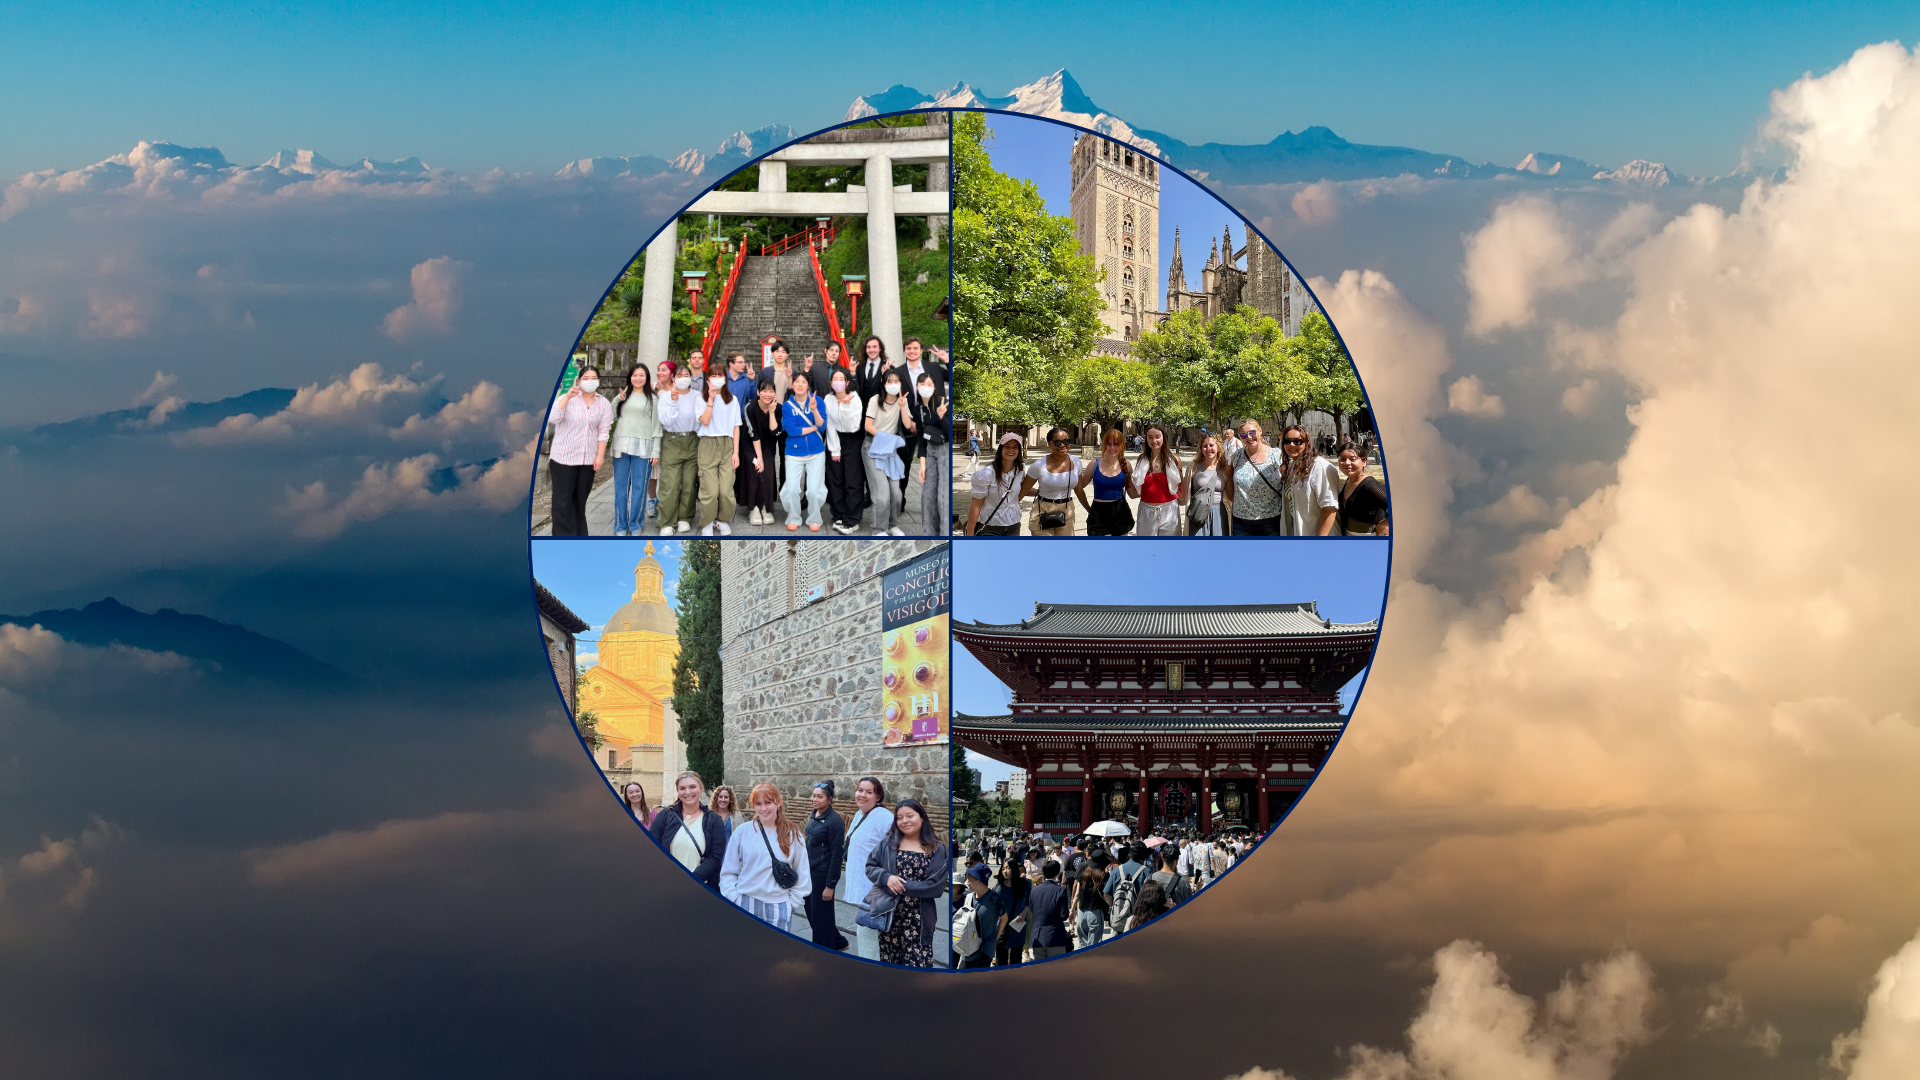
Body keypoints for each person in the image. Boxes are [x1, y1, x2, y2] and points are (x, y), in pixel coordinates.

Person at [864, 798, 949, 968]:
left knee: (918, 964)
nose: (904, 821)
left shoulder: (937, 848)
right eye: (899, 817)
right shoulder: (888, 843)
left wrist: (899, 887)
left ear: (922, 817)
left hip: (919, 918)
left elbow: (935, 886)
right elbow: (870, 866)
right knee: (890, 961)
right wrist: (887, 878)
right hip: (889, 914)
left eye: (910, 815)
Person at [719, 781, 810, 932]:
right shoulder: (743, 832)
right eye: (758, 803)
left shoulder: (793, 834)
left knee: (776, 954)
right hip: (745, 902)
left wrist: (791, 904)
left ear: (779, 802)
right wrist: (734, 898)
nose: (763, 808)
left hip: (779, 904)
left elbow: (803, 872)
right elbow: (728, 871)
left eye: (768, 802)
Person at [545, 367, 611, 536]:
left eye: (594, 377)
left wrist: (600, 456)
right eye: (586, 377)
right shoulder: (567, 398)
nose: (590, 381)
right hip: (563, 459)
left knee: (580, 502)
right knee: (562, 502)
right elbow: (553, 418)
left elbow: (604, 430)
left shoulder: (603, 403)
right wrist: (567, 396)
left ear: (599, 381)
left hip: (588, 460)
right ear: (579, 380)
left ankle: (579, 536)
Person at [839, 777, 895, 961]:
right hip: (865, 886)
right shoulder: (860, 814)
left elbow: (897, 850)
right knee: (866, 930)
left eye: (869, 792)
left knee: (867, 933)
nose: (862, 795)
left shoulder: (884, 818)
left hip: (875, 888)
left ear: (878, 796)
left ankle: (871, 973)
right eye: (859, 790)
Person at [650, 770, 728, 889]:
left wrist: (691, 880)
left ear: (701, 789)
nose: (688, 792)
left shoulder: (714, 820)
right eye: (682, 788)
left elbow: (715, 856)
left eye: (692, 787)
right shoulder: (665, 816)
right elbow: (652, 848)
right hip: (667, 886)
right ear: (678, 791)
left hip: (701, 887)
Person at [608, 366, 661, 536]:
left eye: (641, 375)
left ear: (646, 378)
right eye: (634, 375)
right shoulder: (623, 395)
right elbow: (610, 417)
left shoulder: (653, 399)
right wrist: (618, 399)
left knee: (640, 486)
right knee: (621, 488)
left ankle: (636, 524)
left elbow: (657, 427)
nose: (637, 378)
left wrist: (656, 450)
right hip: (621, 445)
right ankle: (620, 526)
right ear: (630, 377)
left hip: (644, 446)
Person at [655, 357, 703, 534]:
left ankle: (685, 517)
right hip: (672, 440)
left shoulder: (698, 396)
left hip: (692, 440)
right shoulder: (665, 397)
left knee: (690, 483)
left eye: (687, 374)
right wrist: (674, 401)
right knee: (670, 483)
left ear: (691, 378)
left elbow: (700, 420)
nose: (683, 377)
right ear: (673, 378)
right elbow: (666, 421)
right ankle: (667, 521)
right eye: (680, 375)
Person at [694, 361, 742, 536]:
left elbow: (736, 427)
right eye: (713, 376)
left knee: (726, 489)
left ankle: (722, 520)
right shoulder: (701, 399)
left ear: (725, 377)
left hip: (727, 444)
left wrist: (736, 452)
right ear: (708, 379)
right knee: (710, 489)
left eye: (720, 375)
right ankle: (707, 521)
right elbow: (705, 421)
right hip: (707, 444)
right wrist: (711, 399)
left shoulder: (733, 400)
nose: (717, 379)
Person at [803, 781, 850, 951]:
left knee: (821, 916)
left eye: (819, 797)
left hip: (822, 875)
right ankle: (838, 942)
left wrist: (830, 885)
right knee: (811, 912)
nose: (814, 799)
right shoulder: (814, 815)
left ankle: (822, 950)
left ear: (829, 800)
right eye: (814, 795)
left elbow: (837, 856)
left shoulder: (834, 822)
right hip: (809, 872)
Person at [778, 372, 828, 532]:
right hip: (793, 452)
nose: (800, 384)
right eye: (797, 382)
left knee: (814, 490)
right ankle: (793, 517)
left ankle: (815, 518)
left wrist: (814, 410)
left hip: (816, 452)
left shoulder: (818, 401)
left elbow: (822, 425)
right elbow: (791, 430)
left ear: (808, 385)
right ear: (792, 385)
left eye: (803, 382)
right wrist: (812, 428)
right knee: (791, 488)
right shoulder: (787, 405)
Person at [862, 368, 909, 536]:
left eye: (896, 381)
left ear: (901, 384)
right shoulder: (876, 400)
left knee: (896, 494)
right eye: (890, 381)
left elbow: (908, 424)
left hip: (890, 452)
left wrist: (903, 407)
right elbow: (867, 426)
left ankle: (892, 524)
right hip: (872, 448)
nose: (893, 384)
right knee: (882, 494)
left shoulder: (902, 401)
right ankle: (878, 529)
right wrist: (887, 438)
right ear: (884, 384)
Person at [822, 367, 869, 534]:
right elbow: (829, 425)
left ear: (847, 382)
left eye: (842, 379)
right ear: (831, 383)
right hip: (834, 439)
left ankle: (853, 519)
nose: (838, 382)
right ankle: (839, 515)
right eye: (835, 379)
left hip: (853, 440)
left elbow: (853, 426)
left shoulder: (854, 398)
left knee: (852, 480)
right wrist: (834, 450)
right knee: (835, 480)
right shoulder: (827, 399)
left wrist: (846, 407)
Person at [1277, 423, 1341, 536]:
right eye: (1287, 441)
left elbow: (1329, 507)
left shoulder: (1320, 466)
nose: (1291, 445)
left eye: (1297, 441)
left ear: (1306, 443)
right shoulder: (1293, 466)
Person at [1226, 418, 1287, 535]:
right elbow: (1229, 481)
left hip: (1272, 519)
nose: (1249, 437)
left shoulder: (1276, 455)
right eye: (1244, 435)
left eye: (1252, 432)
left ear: (1260, 431)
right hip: (1242, 521)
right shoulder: (1237, 457)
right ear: (1240, 437)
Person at [1023, 427, 1084, 537]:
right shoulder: (1038, 465)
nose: (1062, 445)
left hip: (1067, 509)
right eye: (1057, 442)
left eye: (1066, 441)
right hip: (1042, 510)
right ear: (1050, 444)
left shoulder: (1076, 462)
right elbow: (1022, 490)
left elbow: (1079, 491)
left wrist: (1090, 509)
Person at [1077, 428, 1138, 536]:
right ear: (1104, 445)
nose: (1112, 448)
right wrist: (1088, 508)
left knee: (1119, 551)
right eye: (1109, 444)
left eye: (1116, 444)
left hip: (1120, 512)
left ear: (1122, 446)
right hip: (1098, 513)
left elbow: (1132, 492)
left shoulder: (1126, 465)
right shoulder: (1094, 464)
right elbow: (1078, 487)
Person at [739, 379, 783, 527]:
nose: (768, 394)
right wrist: (759, 458)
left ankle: (765, 506)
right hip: (750, 444)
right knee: (756, 468)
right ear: (758, 392)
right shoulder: (750, 407)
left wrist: (771, 412)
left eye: (771, 391)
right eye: (764, 390)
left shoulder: (778, 408)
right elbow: (753, 434)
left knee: (768, 470)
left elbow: (775, 432)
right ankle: (753, 508)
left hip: (768, 444)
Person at [910, 371, 950, 533]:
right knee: (928, 495)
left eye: (929, 384)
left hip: (944, 449)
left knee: (943, 496)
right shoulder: (918, 408)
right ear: (917, 387)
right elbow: (920, 436)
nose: (925, 387)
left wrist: (942, 417)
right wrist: (922, 464)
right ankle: (929, 532)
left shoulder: (942, 403)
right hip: (929, 450)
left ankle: (945, 533)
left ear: (934, 387)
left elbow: (949, 434)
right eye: (922, 384)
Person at [966, 432, 1025, 536]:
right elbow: (976, 505)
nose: (1011, 450)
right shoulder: (986, 474)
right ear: (1001, 449)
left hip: (1013, 526)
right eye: (1007, 446)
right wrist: (969, 534)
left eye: (1015, 447)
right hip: (990, 527)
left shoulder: (1020, 471)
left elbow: (1023, 489)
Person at [1134, 423, 1183, 536]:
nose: (1154, 441)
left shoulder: (1175, 460)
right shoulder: (1141, 460)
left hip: (1169, 510)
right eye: (1150, 437)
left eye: (1157, 437)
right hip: (1146, 510)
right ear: (1145, 439)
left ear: (1163, 438)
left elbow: (1181, 486)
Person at [1333, 440, 1390, 536]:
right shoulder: (1349, 480)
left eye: (1352, 459)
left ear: (1364, 462)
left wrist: (1384, 525)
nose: (1347, 463)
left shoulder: (1370, 485)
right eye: (1342, 459)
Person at [1183, 433, 1233, 536]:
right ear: (1201, 449)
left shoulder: (1226, 469)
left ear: (1218, 447)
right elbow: (1185, 493)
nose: (1208, 449)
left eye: (1211, 445)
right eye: (1205, 446)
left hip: (1218, 511)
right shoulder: (1193, 468)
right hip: (1198, 512)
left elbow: (1231, 496)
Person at [957, 862, 1005, 969]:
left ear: (980, 880)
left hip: (984, 951)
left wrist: (995, 937)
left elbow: (1004, 918)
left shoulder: (994, 899)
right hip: (967, 948)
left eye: (969, 880)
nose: (967, 883)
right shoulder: (969, 897)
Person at [1026, 860, 1074, 959]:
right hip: (1055, 937)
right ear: (1057, 873)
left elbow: (1031, 909)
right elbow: (1063, 915)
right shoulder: (1060, 891)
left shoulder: (1034, 891)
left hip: (1037, 937)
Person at [993, 852, 1031, 965]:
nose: (1005, 871)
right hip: (1002, 930)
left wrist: (1024, 912)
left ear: (1014, 869)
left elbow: (1029, 901)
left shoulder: (1025, 884)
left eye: (1008, 868)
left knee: (1016, 959)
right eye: (1003, 868)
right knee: (1001, 961)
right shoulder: (999, 890)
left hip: (1018, 927)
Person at [1070, 860, 1110, 949]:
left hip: (1082, 912)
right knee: (1094, 944)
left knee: (1082, 943)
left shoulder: (1082, 875)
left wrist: (1072, 909)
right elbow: (1106, 895)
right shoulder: (1103, 876)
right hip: (1095, 912)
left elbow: (1077, 894)